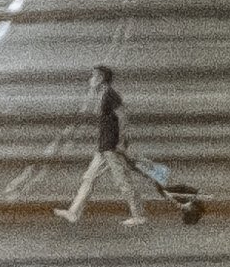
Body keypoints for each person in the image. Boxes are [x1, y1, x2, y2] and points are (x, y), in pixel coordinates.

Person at [64, 61, 195, 223]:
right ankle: (73, 212)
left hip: (112, 147)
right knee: (89, 178)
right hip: (104, 147)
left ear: (101, 78)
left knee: (125, 180)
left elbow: (123, 117)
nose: (90, 79)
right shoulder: (103, 95)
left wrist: (121, 141)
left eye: (93, 76)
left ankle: (140, 214)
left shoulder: (110, 95)